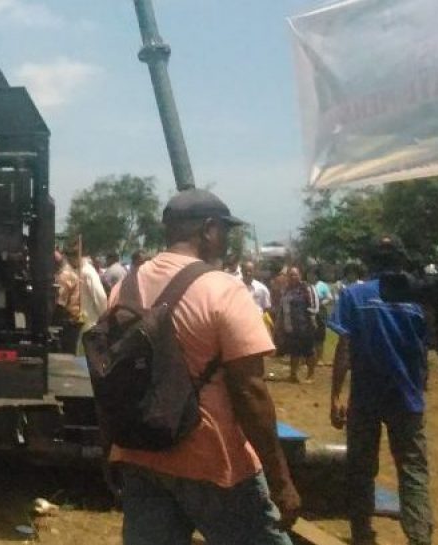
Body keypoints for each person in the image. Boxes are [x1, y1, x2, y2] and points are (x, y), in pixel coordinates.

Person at [109, 189, 298, 545]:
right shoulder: (222, 289)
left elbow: (114, 377)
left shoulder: (123, 287)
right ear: (209, 230)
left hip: (141, 451)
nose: (227, 240)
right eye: (225, 231)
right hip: (213, 462)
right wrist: (281, 479)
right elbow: (250, 391)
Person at [329, 235, 432, 545]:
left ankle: (362, 533)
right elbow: (424, 349)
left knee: (361, 467)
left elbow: (344, 347)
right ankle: (419, 536)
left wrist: (335, 394)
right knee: (413, 471)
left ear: (369, 262)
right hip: (406, 397)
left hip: (365, 398)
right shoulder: (418, 299)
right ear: (401, 261)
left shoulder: (353, 295)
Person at [278, 267, 319, 383]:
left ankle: (311, 375)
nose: (293, 277)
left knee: (309, 351)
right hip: (290, 327)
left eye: (295, 275)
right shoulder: (286, 290)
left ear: (300, 275)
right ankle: (293, 375)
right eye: (290, 275)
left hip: (305, 326)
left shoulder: (307, 288)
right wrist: (280, 325)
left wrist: (312, 319)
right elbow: (282, 308)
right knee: (294, 351)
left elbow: (315, 306)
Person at [53, 250, 82, 354]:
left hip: (69, 320)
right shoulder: (69, 272)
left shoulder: (64, 275)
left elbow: (60, 302)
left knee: (66, 354)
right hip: (73, 318)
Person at [78, 254, 108, 333]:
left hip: (81, 319)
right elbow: (100, 296)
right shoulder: (89, 271)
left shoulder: (79, 270)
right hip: (90, 320)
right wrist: (104, 315)